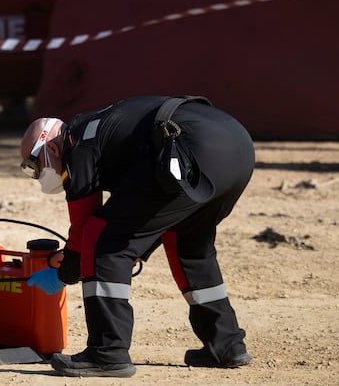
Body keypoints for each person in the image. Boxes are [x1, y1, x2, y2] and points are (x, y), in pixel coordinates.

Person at [20, 95, 255, 378]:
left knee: (102, 238)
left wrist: (68, 267)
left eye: (34, 166)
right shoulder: (100, 127)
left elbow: (85, 225)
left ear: (52, 148)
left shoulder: (76, 143)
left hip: (190, 151)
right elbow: (142, 215)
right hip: (237, 150)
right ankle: (227, 345)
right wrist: (132, 249)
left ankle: (107, 354)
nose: (37, 174)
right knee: (188, 244)